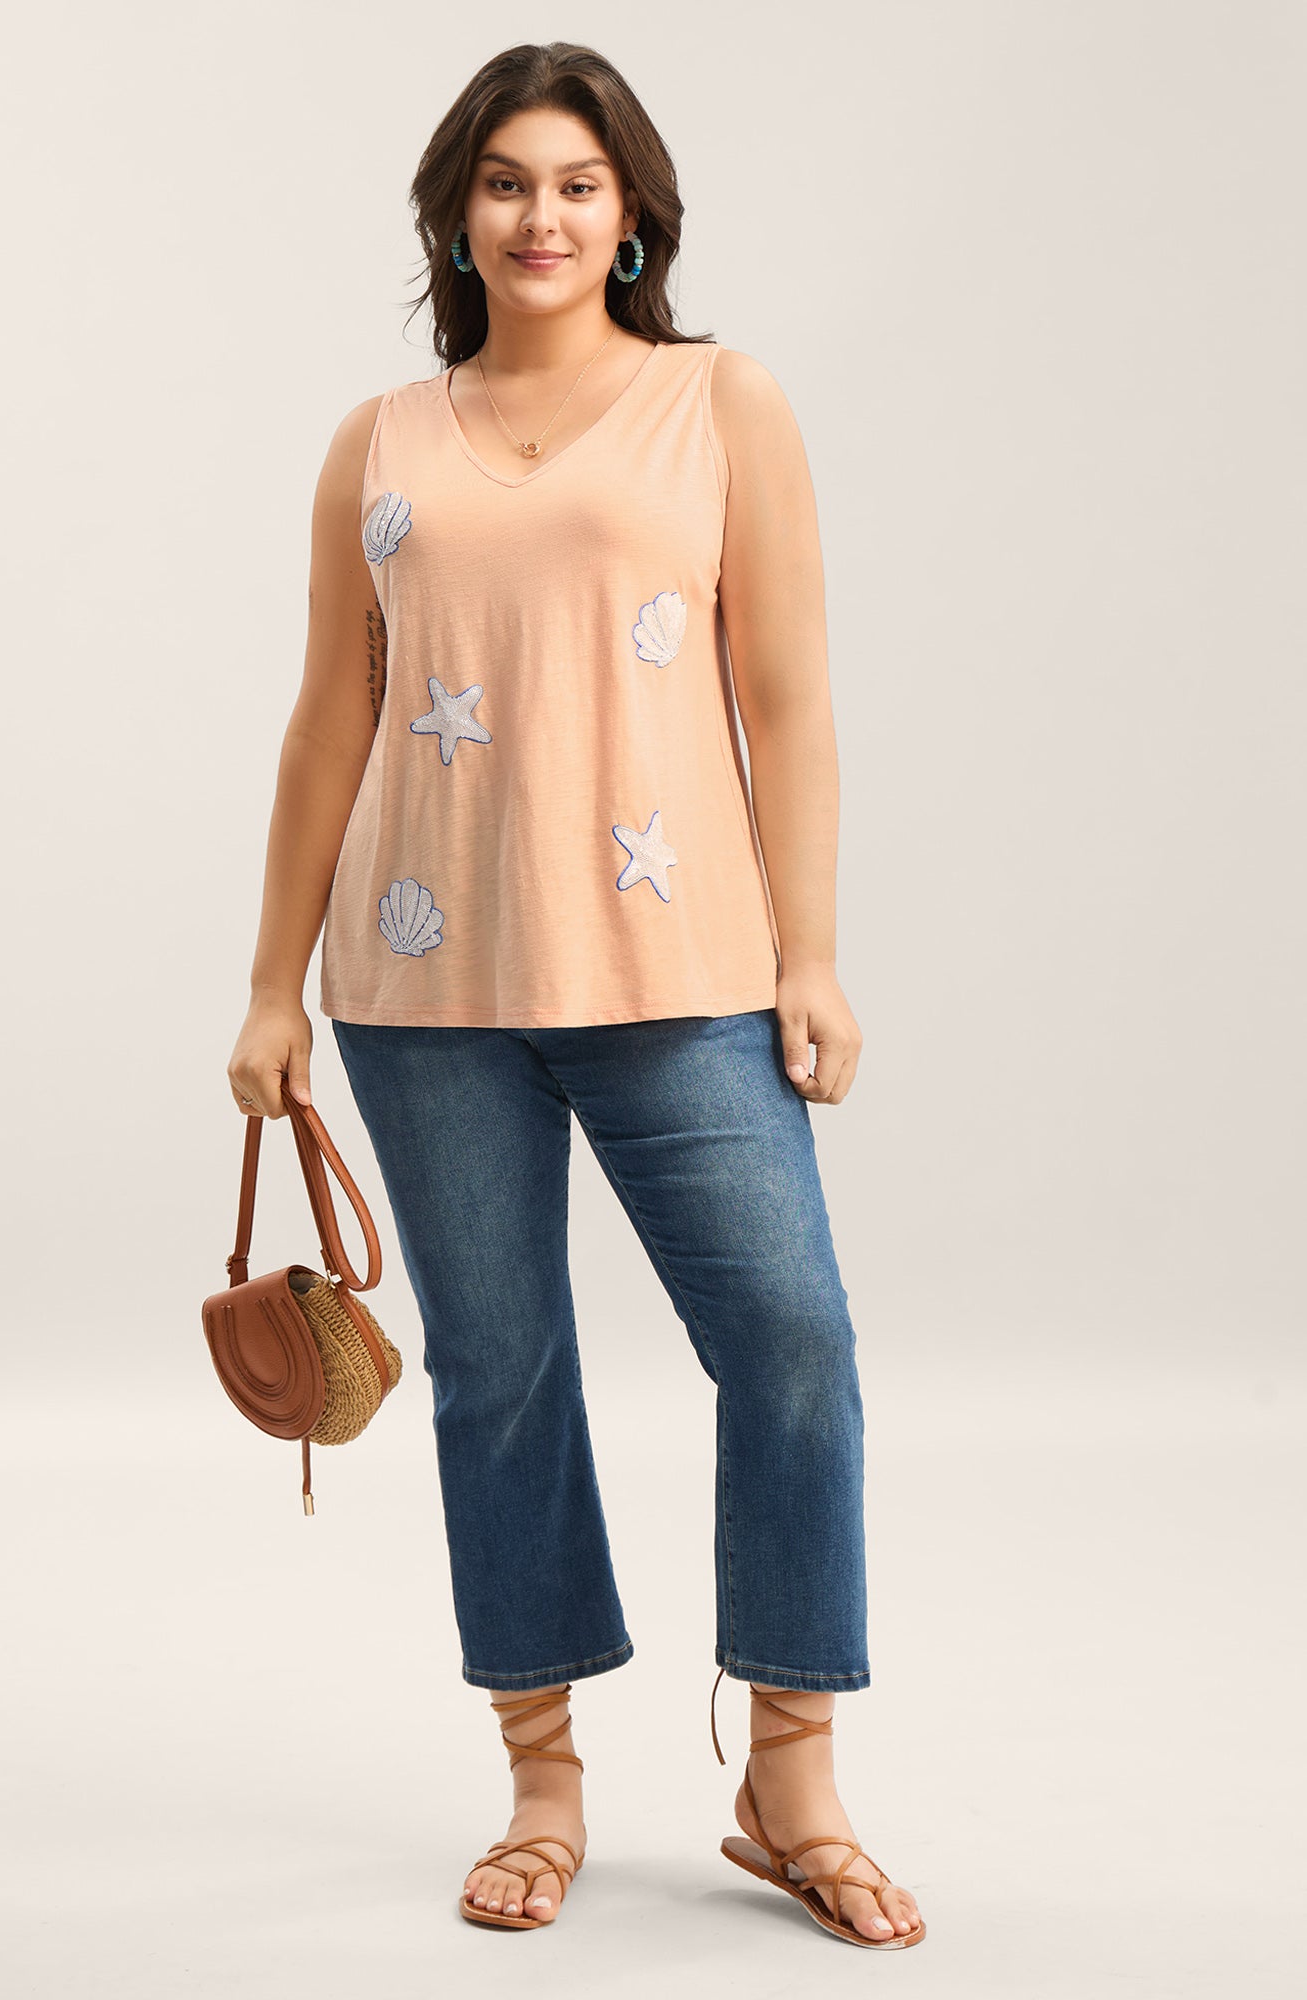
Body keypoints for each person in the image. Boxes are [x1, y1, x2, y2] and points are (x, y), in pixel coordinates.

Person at [226, 39, 925, 1950]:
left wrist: (809, 950)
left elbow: (789, 692)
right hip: (421, 983)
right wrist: (273, 987)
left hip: (679, 972)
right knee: (501, 1371)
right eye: (507, 182)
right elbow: (330, 718)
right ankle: (540, 1778)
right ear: (458, 215)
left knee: (791, 1339)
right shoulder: (379, 440)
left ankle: (791, 1778)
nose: (541, 215)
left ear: (631, 218)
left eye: (578, 184)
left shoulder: (722, 401)